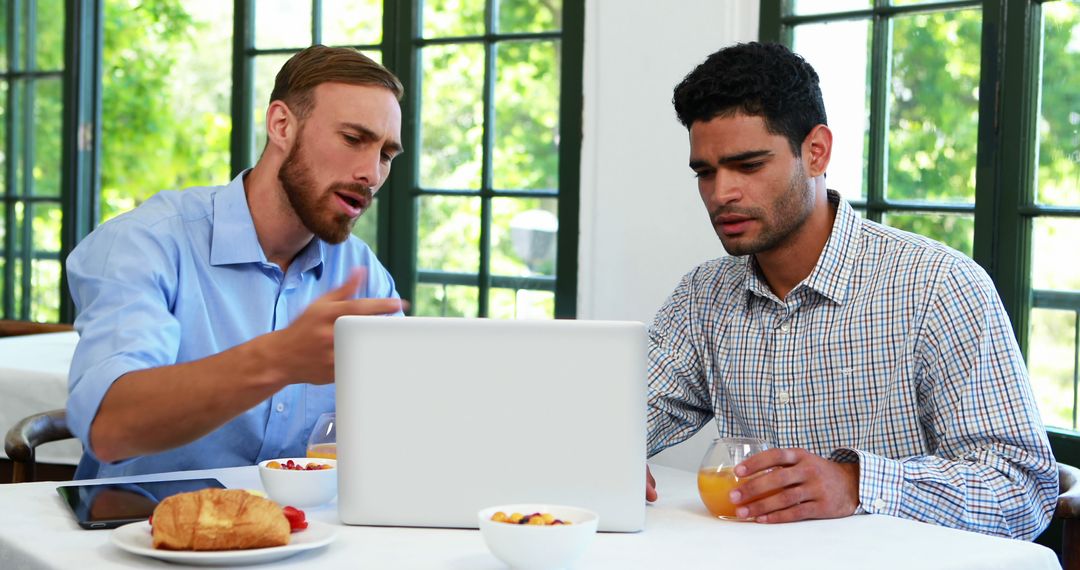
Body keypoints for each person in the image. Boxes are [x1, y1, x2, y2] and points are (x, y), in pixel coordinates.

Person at [644, 42, 1057, 540]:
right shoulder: (703, 296)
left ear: (816, 152)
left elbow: (1022, 490)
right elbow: (625, 418)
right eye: (705, 172)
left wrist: (855, 484)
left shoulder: (937, 286)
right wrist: (595, 455)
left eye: (748, 165)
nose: (721, 193)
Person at [66, 45, 406, 479]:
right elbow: (110, 428)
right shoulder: (145, 243)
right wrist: (279, 358)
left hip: (305, 521)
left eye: (385, 155)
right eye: (353, 139)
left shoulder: (361, 272)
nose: (371, 174)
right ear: (281, 125)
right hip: (141, 518)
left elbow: (402, 419)